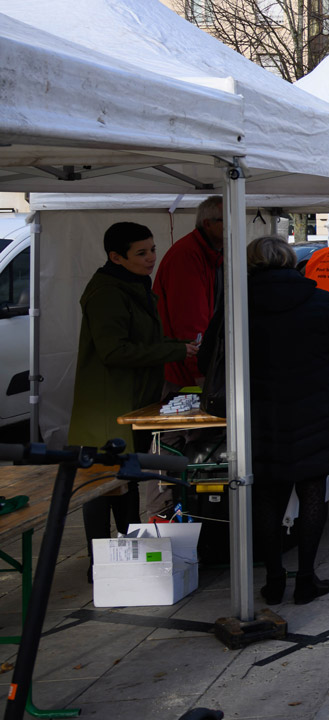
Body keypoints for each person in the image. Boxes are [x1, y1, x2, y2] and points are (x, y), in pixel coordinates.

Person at [200, 236, 329, 605]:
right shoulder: (320, 300)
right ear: (291, 261)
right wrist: (321, 373)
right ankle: (306, 578)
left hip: (258, 414)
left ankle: (274, 579)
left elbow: (208, 360)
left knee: (267, 497)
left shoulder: (236, 306)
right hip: (312, 409)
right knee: (311, 493)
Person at [68, 222, 197, 576]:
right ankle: (102, 563)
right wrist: (172, 350)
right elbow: (114, 351)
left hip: (131, 401)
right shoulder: (107, 292)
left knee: (126, 480)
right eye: (142, 253)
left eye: (153, 249)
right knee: (101, 486)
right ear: (116, 256)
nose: (151, 258)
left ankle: (126, 553)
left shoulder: (134, 284)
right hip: (106, 407)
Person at [154, 196, 223, 392]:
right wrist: (200, 372)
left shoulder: (216, 253)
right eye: (226, 219)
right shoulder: (187, 256)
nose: (235, 224)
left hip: (196, 362)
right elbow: (189, 321)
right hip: (182, 370)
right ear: (207, 224)